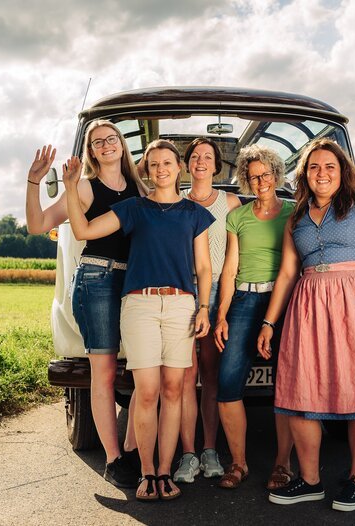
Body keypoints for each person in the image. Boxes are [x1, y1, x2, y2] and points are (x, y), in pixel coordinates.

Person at [257, 138, 355, 512]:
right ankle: (310, 480)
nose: (322, 173)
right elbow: (288, 272)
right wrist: (268, 322)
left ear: (343, 172)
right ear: (304, 175)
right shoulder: (296, 217)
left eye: (330, 166)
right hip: (309, 303)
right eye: (314, 167)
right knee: (300, 393)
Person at [62, 139, 214, 502]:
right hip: (140, 306)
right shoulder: (133, 207)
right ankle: (146, 472)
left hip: (181, 307)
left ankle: (165, 472)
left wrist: (204, 307)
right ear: (146, 170)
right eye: (154, 164)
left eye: (167, 163)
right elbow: (82, 231)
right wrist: (70, 187)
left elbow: (204, 267)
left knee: (175, 391)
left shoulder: (194, 214)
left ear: (179, 168)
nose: (161, 170)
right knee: (146, 391)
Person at [25, 120, 148, 488]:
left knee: (146, 370)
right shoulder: (83, 187)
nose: (106, 144)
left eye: (112, 139)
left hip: (136, 283)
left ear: (122, 145)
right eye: (98, 142)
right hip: (97, 278)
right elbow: (37, 224)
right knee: (105, 372)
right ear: (92, 151)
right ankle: (115, 460)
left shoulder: (141, 187)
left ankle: (132, 448)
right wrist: (35, 181)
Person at [212, 145, 295, 490]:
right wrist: (221, 316)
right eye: (253, 175)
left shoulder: (294, 212)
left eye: (265, 174)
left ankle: (282, 463)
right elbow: (230, 268)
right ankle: (239, 462)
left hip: (285, 298)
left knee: (289, 385)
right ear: (245, 179)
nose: (260, 180)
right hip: (244, 298)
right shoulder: (238, 217)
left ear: (276, 174)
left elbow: (295, 265)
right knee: (228, 384)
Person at [173, 138, 241, 483]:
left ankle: (210, 449)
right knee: (186, 375)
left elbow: (232, 256)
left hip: (214, 290)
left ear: (217, 166)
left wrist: (222, 304)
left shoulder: (229, 202)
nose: (201, 162)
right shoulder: (176, 200)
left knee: (211, 375)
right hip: (182, 291)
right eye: (195, 157)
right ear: (186, 165)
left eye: (208, 157)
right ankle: (188, 453)